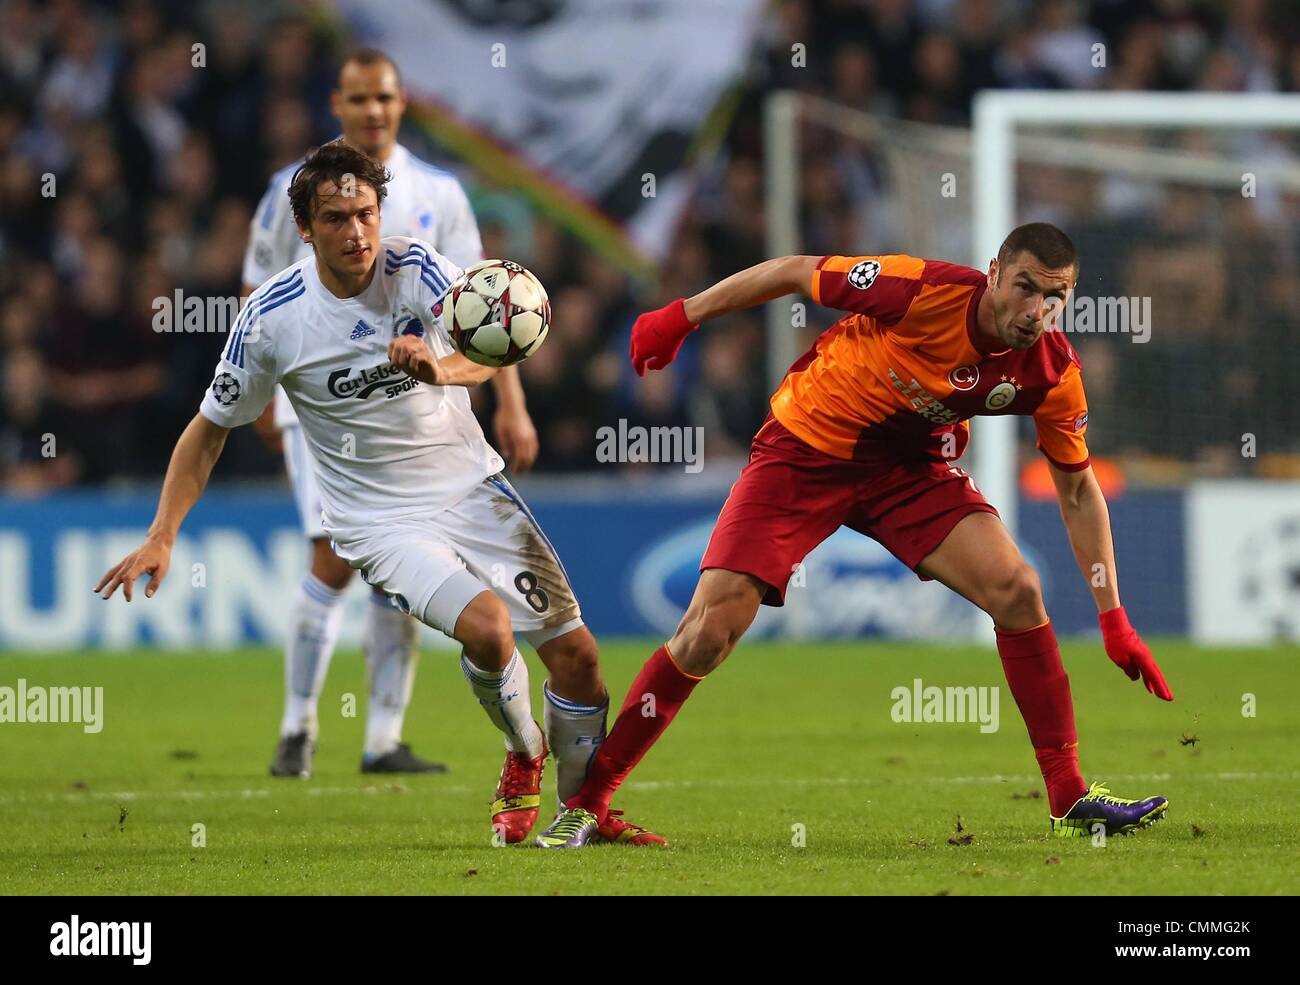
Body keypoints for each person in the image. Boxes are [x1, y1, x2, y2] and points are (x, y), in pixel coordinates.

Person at [535, 223, 1173, 848]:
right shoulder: (917, 290)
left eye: (1055, 297)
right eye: (1027, 288)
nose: (1037, 310)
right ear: (996, 273)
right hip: (806, 448)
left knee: (1018, 589)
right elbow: (791, 271)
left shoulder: (1051, 371)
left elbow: (1080, 490)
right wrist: (683, 314)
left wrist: (1112, 616)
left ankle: (1068, 794)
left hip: (907, 469)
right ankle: (590, 803)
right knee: (707, 633)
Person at [97, 142, 662, 846]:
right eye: (335, 218)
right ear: (306, 228)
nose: (357, 232)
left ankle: (584, 814)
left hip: (471, 486)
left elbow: (486, 348)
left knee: (578, 659)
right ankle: (523, 754)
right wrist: (163, 532)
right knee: (488, 629)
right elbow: (208, 430)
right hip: (378, 519)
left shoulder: (417, 268)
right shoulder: (272, 317)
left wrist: (440, 367)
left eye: (365, 212)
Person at [242, 49, 539, 778]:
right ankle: (298, 727)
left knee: (401, 573)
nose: (373, 111)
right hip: (321, 405)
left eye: (385, 98)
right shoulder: (293, 190)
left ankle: (380, 737)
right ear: (336, 106)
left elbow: (487, 310)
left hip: (419, 404)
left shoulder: (440, 191)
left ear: (402, 103)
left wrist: (512, 403)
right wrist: (264, 398)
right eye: (358, 99)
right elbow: (256, 288)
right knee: (334, 558)